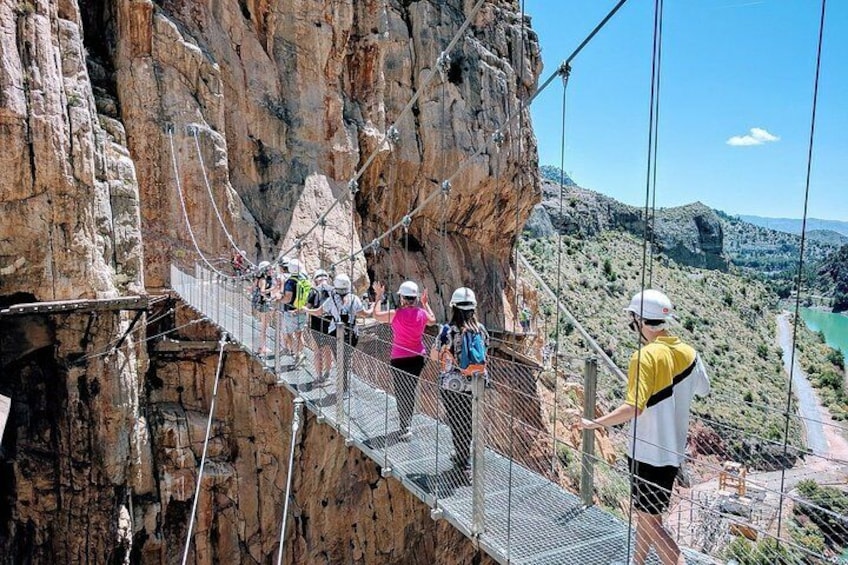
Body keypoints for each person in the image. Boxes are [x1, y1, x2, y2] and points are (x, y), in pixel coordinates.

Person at [576, 289, 710, 565]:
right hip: (673, 454)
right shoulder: (690, 354)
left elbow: (633, 408)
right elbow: (704, 389)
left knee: (650, 523)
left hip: (645, 454)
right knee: (649, 516)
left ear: (638, 320)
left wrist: (595, 423)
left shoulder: (645, 357)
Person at [433, 286, 489, 477]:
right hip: (475, 384)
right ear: (473, 308)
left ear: (454, 308)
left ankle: (464, 462)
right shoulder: (480, 330)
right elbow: (484, 354)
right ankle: (465, 456)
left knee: (456, 421)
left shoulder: (447, 330)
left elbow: (434, 355)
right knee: (469, 421)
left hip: (452, 384)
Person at [372, 280, 436, 440]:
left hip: (399, 357)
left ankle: (405, 424)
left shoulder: (396, 314)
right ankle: (408, 422)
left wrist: (379, 296)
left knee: (401, 391)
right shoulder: (422, 314)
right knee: (411, 388)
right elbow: (433, 320)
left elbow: (376, 316)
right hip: (418, 357)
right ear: (415, 298)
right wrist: (425, 304)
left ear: (402, 298)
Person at [305, 273, 368, 393]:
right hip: (352, 334)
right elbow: (364, 313)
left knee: (340, 360)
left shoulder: (331, 300)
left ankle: (342, 386)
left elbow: (318, 312)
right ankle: (344, 386)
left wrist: (306, 310)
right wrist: (375, 305)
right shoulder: (355, 299)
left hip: (335, 334)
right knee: (345, 359)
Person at [276, 258, 309, 363]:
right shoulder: (305, 279)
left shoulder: (290, 281)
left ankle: (296, 354)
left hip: (291, 312)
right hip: (302, 311)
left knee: (287, 334)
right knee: (300, 334)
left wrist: (279, 299)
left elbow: (288, 298)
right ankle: (301, 354)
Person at [306, 269, 334, 382]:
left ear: (316, 280)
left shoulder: (313, 291)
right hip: (330, 324)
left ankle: (319, 376)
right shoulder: (334, 291)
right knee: (328, 349)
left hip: (316, 324)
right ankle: (328, 373)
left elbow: (308, 307)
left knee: (317, 351)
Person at [250, 261, 274, 355]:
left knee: (264, 326)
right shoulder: (264, 280)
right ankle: (262, 347)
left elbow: (252, 288)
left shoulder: (258, 278)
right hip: (264, 304)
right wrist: (273, 289)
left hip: (261, 304)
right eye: (269, 269)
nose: (271, 270)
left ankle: (261, 347)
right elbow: (262, 291)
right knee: (264, 327)